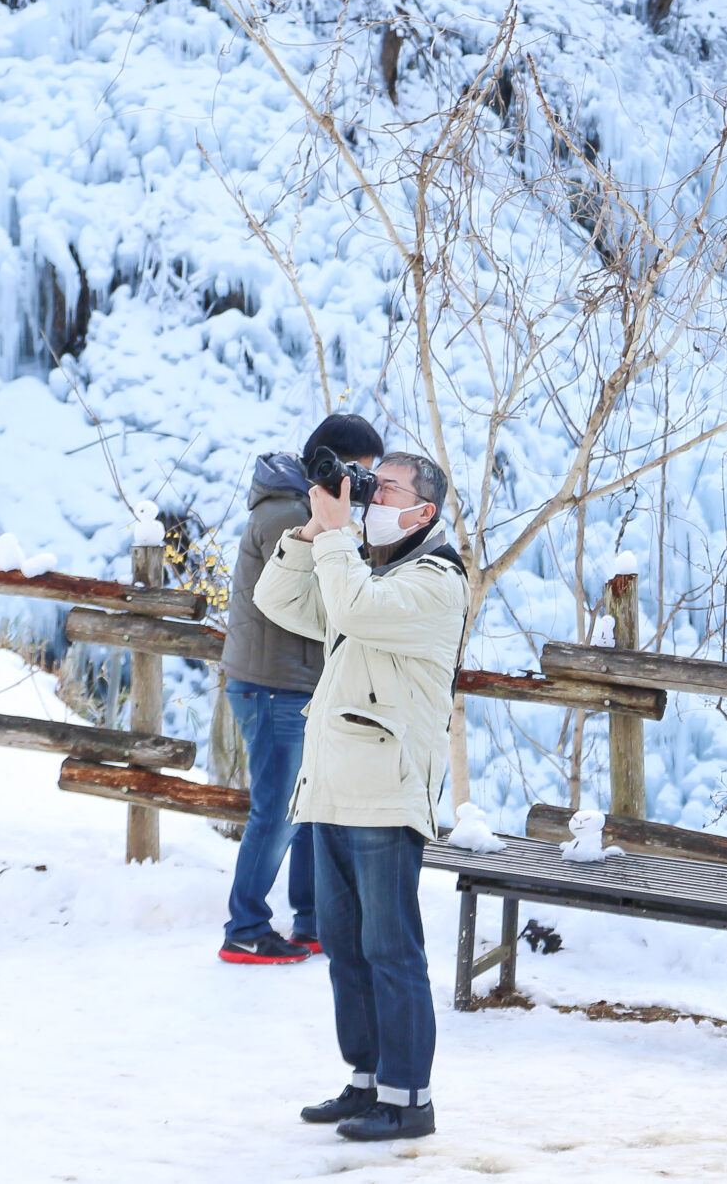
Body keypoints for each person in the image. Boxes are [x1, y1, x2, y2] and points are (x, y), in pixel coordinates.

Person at [255, 450, 469, 1143]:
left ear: (424, 512)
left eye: (388, 489)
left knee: (390, 946)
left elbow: (352, 605)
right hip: (337, 785)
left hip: (385, 789)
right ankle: (367, 1079)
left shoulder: (434, 581)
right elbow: (278, 600)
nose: (372, 497)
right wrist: (316, 532)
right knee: (346, 946)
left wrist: (341, 534)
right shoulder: (366, 569)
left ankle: (410, 1098)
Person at [218, 412, 384, 966]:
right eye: (358, 475)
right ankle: (245, 927)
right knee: (279, 810)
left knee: (310, 806)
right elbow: (326, 602)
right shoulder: (291, 515)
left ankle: (313, 922)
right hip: (273, 684)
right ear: (329, 465)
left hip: (295, 682)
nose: (363, 488)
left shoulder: (310, 509)